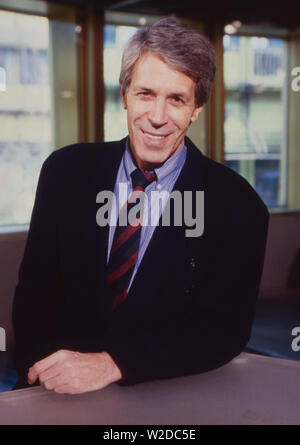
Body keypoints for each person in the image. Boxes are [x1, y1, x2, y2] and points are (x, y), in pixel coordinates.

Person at [12, 18, 269, 394]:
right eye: (145, 93)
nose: (158, 117)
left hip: (160, 400)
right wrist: (47, 377)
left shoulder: (239, 206)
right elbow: (34, 294)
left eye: (177, 99)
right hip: (53, 393)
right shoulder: (64, 172)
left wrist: (115, 363)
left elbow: (224, 330)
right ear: (124, 95)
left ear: (197, 108)